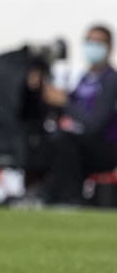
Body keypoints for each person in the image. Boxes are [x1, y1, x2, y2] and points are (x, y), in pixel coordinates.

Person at [43, 24, 117, 205]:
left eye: (99, 42)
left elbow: (94, 123)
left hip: (105, 147)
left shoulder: (111, 80)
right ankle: (47, 193)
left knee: (66, 142)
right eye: (90, 41)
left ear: (109, 47)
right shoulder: (83, 79)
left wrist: (65, 103)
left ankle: (71, 198)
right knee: (50, 140)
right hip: (79, 142)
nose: (93, 46)